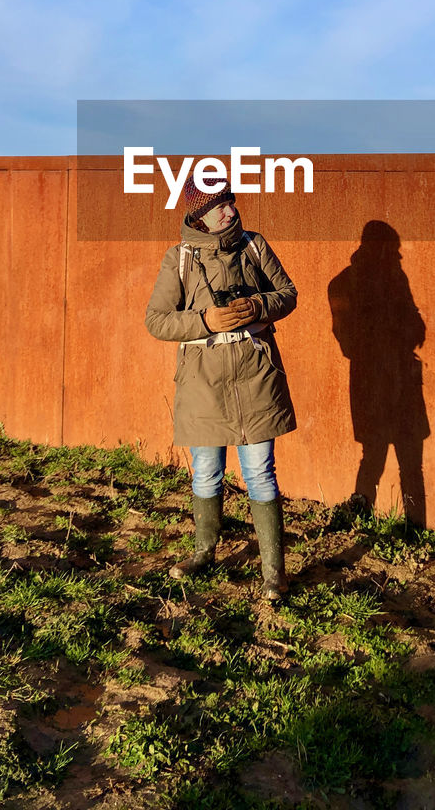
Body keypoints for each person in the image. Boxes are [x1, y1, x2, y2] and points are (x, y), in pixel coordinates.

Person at [144, 174, 298, 600]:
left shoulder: (254, 245)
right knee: (208, 473)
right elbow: (156, 320)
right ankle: (203, 553)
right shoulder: (178, 258)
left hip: (256, 377)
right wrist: (206, 322)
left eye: (230, 200)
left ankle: (273, 574)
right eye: (219, 205)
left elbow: (288, 293)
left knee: (260, 474)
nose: (230, 209)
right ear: (199, 214)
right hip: (203, 383)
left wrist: (258, 304)